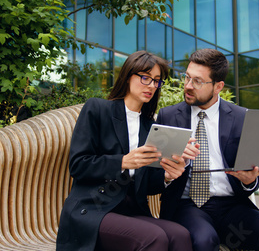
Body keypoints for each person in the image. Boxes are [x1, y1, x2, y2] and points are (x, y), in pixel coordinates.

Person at [56, 50, 192, 251]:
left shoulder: (149, 127)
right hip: (94, 209)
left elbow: (147, 186)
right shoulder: (98, 109)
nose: (152, 86)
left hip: (131, 211)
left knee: (180, 235)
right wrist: (123, 162)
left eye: (156, 81)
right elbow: (78, 165)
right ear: (128, 76)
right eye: (145, 78)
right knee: (155, 238)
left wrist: (167, 176)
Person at [156, 48, 259, 251]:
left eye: (198, 81)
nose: (188, 86)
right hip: (187, 206)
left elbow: (253, 175)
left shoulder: (242, 117)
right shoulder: (168, 116)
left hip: (232, 206)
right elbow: (156, 175)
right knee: (204, 240)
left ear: (218, 86)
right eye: (187, 78)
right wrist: (170, 173)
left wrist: (250, 181)